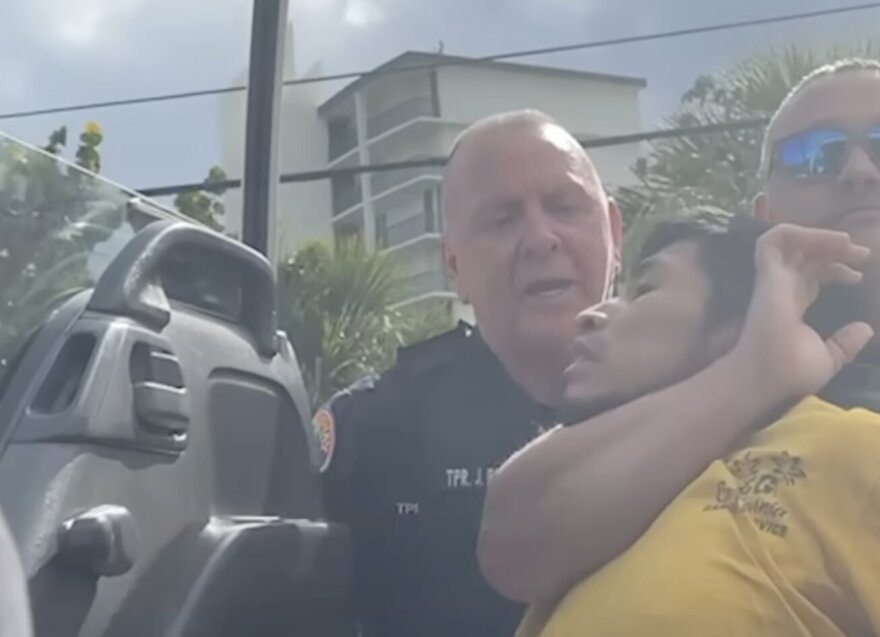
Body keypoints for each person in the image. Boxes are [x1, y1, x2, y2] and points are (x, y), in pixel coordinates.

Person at [478, 57, 880, 607]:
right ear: (763, 217)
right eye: (814, 155)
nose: (859, 170)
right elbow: (513, 536)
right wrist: (754, 373)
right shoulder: (697, 363)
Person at [314, 110, 624, 637]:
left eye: (565, 207)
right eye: (502, 220)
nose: (541, 238)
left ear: (614, 232)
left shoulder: (698, 403)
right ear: (454, 264)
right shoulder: (372, 431)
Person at [520, 210, 880, 636]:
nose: (590, 314)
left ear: (744, 328)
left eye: (644, 290)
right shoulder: (601, 510)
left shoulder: (844, 444)